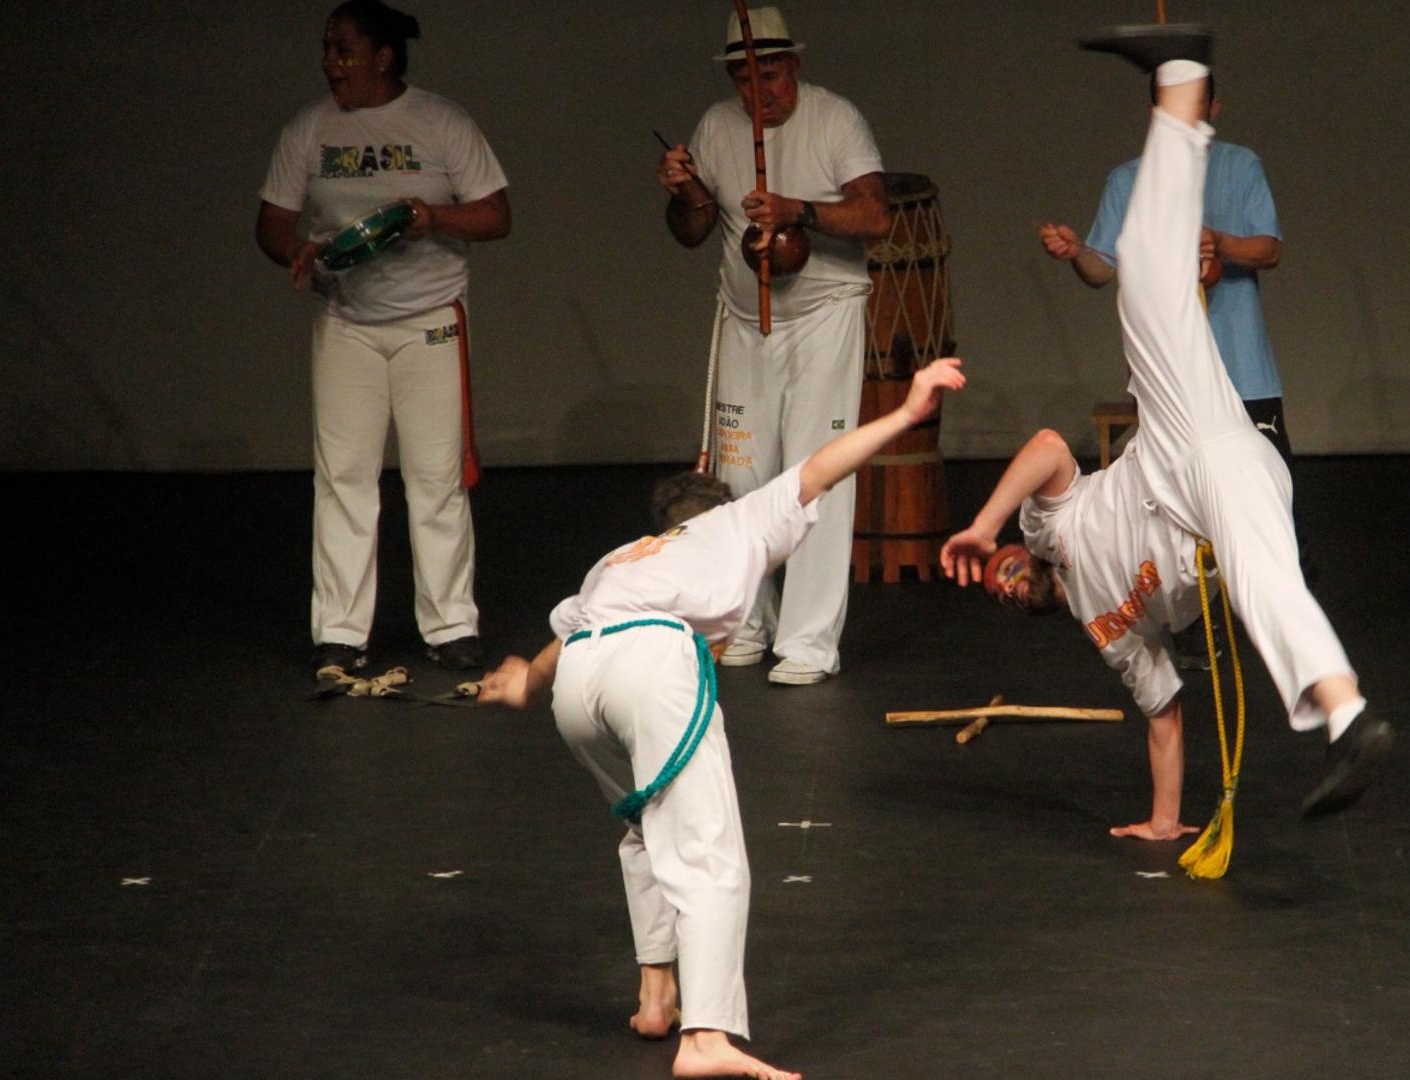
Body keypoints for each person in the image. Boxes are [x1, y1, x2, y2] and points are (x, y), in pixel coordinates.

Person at [941, 29, 1392, 836]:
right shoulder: (1106, 632)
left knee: (1148, 282)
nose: (1005, 577)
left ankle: (1181, 69)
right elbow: (1166, 716)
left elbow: (1047, 447)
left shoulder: (1048, 526)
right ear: (1029, 609)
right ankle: (1347, 715)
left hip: (1183, 441)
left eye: (1002, 568)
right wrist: (1162, 822)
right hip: (1217, 495)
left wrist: (982, 524)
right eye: (1006, 592)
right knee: (1264, 585)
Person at [479, 358, 966, 1080]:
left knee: (645, 828)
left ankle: (655, 995)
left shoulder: (626, 554)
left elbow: (578, 629)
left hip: (578, 682)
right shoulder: (737, 518)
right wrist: (905, 413)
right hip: (651, 665)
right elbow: (822, 467)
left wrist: (526, 682)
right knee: (707, 856)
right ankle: (704, 1038)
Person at [256, 0, 511, 679]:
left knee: (435, 479)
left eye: (343, 49)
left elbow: (495, 214)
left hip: (430, 320)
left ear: (383, 58)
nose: (330, 62)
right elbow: (273, 219)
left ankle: (451, 623)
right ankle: (340, 631)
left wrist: (432, 216)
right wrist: (299, 250)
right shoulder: (309, 129)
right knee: (344, 479)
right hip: (346, 325)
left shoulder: (440, 122)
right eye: (327, 49)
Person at [656, 6, 891, 687]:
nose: (760, 91)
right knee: (740, 480)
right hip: (743, 317)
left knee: (816, 474)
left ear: (795, 66)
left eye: (772, 73)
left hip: (825, 315)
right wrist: (685, 191)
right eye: (745, 77)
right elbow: (694, 231)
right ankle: (746, 623)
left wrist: (800, 211)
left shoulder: (835, 119)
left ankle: (810, 642)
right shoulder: (716, 127)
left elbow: (874, 217)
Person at [1037, 76, 1294, 465]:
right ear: (1155, 115)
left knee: (1266, 498)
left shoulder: (1240, 165)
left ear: (1214, 108)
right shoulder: (1126, 181)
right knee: (1176, 508)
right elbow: (1100, 270)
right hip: (1168, 378)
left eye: (1196, 105)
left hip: (1243, 371)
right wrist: (1075, 252)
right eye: (1174, 109)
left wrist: (1220, 242)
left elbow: (1269, 249)